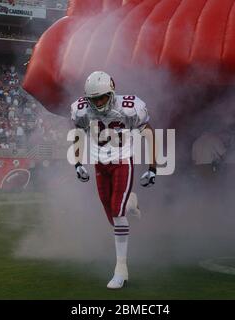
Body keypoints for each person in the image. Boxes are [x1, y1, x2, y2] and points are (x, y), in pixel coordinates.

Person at [71, 71, 156, 289]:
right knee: (112, 215)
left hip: (122, 162)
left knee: (118, 213)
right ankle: (132, 203)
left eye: (102, 97)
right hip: (99, 163)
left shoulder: (129, 107)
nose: (98, 103)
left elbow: (148, 132)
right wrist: (78, 163)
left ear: (112, 91)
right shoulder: (81, 109)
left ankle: (121, 269)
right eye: (94, 99)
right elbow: (79, 133)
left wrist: (153, 166)